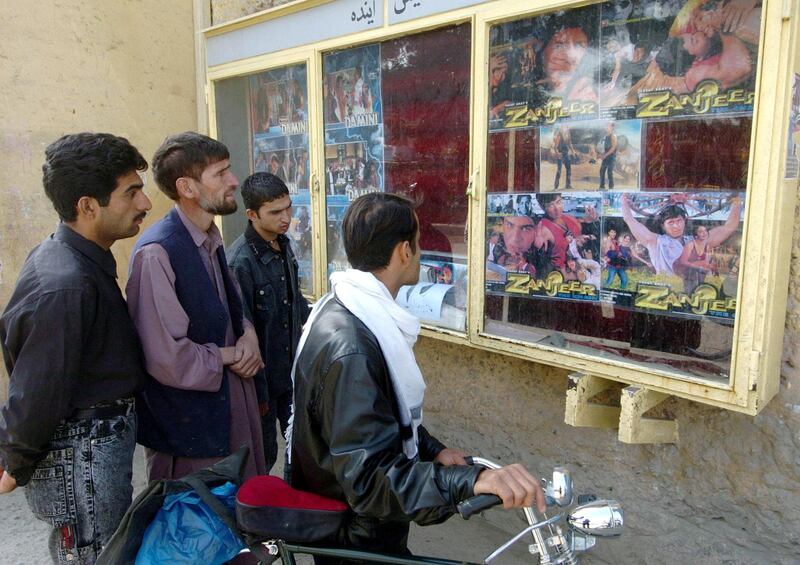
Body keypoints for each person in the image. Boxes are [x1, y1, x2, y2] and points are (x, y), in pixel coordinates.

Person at [289, 192, 545, 561]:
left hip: (360, 529)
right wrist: (472, 482)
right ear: (404, 252)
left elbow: (376, 417)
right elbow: (370, 480)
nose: (421, 251)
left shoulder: (345, 303)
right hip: (358, 540)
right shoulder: (355, 346)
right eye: (419, 242)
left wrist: (433, 451)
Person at [0, 133, 152, 563]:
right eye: (132, 192)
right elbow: (36, 391)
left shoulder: (80, 260)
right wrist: (15, 461)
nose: (145, 204)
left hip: (93, 454)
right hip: (81, 462)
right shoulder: (65, 283)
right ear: (88, 206)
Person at [126, 132, 266, 482]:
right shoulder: (157, 252)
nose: (234, 181)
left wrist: (248, 335)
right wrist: (230, 355)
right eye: (220, 174)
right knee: (200, 524)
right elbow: (166, 357)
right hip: (190, 431)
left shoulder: (211, 237)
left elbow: (230, 309)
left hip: (235, 410)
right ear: (186, 187)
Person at [227, 173, 310, 473]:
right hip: (259, 382)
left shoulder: (282, 244)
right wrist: (258, 395)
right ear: (252, 215)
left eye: (288, 208)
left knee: (300, 449)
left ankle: (293, 511)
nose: (285, 217)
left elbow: (295, 302)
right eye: (275, 212)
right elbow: (241, 331)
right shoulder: (239, 262)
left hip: (291, 373)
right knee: (262, 457)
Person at [621, 193, 741, 276]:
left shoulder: (698, 241)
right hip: (668, 293)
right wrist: (624, 198)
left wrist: (736, 202)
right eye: (671, 222)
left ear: (685, 221)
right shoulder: (656, 242)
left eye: (679, 221)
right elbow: (629, 219)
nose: (676, 226)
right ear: (663, 225)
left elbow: (729, 227)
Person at [536, 193, 598, 270]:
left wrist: (587, 221)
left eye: (558, 202)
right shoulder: (543, 229)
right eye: (551, 205)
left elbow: (580, 227)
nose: (557, 209)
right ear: (542, 207)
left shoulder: (569, 218)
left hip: (584, 266)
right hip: (562, 274)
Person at [552, 125, 576, 190]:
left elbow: (570, 143)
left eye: (566, 127)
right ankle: (555, 187)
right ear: (562, 128)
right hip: (560, 154)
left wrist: (573, 151)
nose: (566, 128)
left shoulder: (568, 134)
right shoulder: (559, 135)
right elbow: (555, 147)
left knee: (569, 169)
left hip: (566, 154)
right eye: (564, 127)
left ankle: (568, 185)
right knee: (559, 170)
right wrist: (557, 154)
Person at [599, 122, 618, 190]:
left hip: (611, 157)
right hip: (606, 156)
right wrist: (602, 155)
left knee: (609, 172)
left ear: (612, 127)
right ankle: (602, 186)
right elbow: (607, 149)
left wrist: (605, 155)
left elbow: (613, 148)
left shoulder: (613, 136)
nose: (607, 127)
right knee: (602, 171)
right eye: (606, 125)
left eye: (608, 126)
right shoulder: (606, 136)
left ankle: (611, 187)